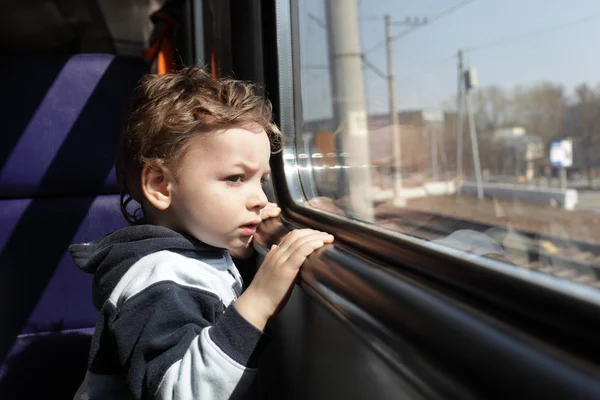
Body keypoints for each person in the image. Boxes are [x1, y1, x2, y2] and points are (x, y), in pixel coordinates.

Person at [69, 67, 334, 400]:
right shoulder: (158, 279)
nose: (260, 199)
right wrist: (259, 301)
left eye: (261, 181)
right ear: (160, 185)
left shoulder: (197, 253)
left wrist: (245, 259)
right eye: (236, 179)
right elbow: (180, 392)